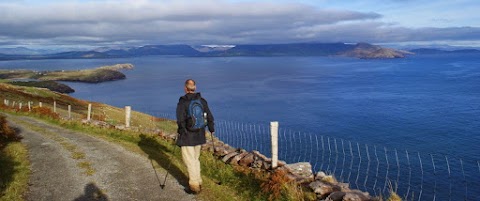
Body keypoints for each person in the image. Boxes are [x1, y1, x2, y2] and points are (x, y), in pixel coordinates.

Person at [176, 79, 214, 194]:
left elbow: (180, 120)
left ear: (185, 88)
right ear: (195, 88)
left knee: (189, 161)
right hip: (199, 134)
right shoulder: (202, 101)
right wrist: (211, 129)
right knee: (195, 159)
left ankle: (194, 186)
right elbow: (209, 116)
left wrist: (181, 132)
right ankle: (198, 181)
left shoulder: (183, 102)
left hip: (187, 136)